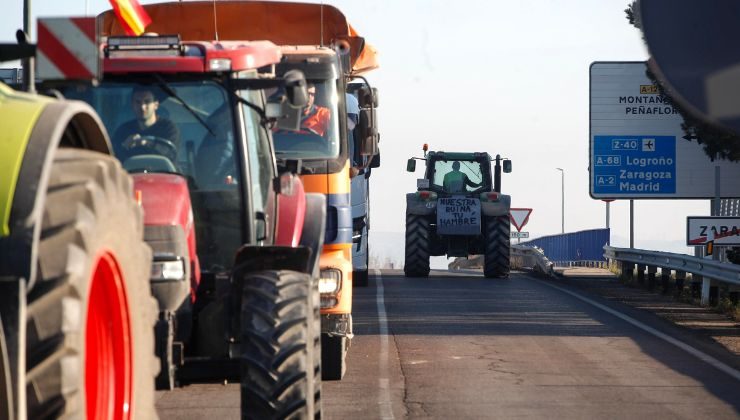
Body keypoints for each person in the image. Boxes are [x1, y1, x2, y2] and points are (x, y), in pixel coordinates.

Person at [112, 85, 180, 161]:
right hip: (130, 173)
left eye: (147, 101)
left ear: (156, 105)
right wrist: (124, 146)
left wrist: (146, 143)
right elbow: (112, 158)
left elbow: (170, 154)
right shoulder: (123, 131)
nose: (142, 107)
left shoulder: (169, 128)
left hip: (162, 172)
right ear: (132, 104)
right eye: (138, 102)